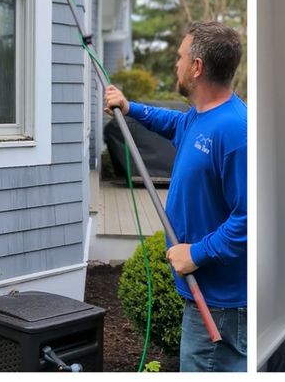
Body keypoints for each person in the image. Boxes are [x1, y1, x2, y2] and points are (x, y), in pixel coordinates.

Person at [104, 21, 247, 372]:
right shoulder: (202, 116)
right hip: (203, 296)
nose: (176, 64)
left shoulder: (234, 131)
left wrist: (196, 253)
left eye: (181, 57)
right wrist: (130, 107)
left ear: (197, 67)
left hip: (220, 305)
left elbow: (249, 218)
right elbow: (175, 123)